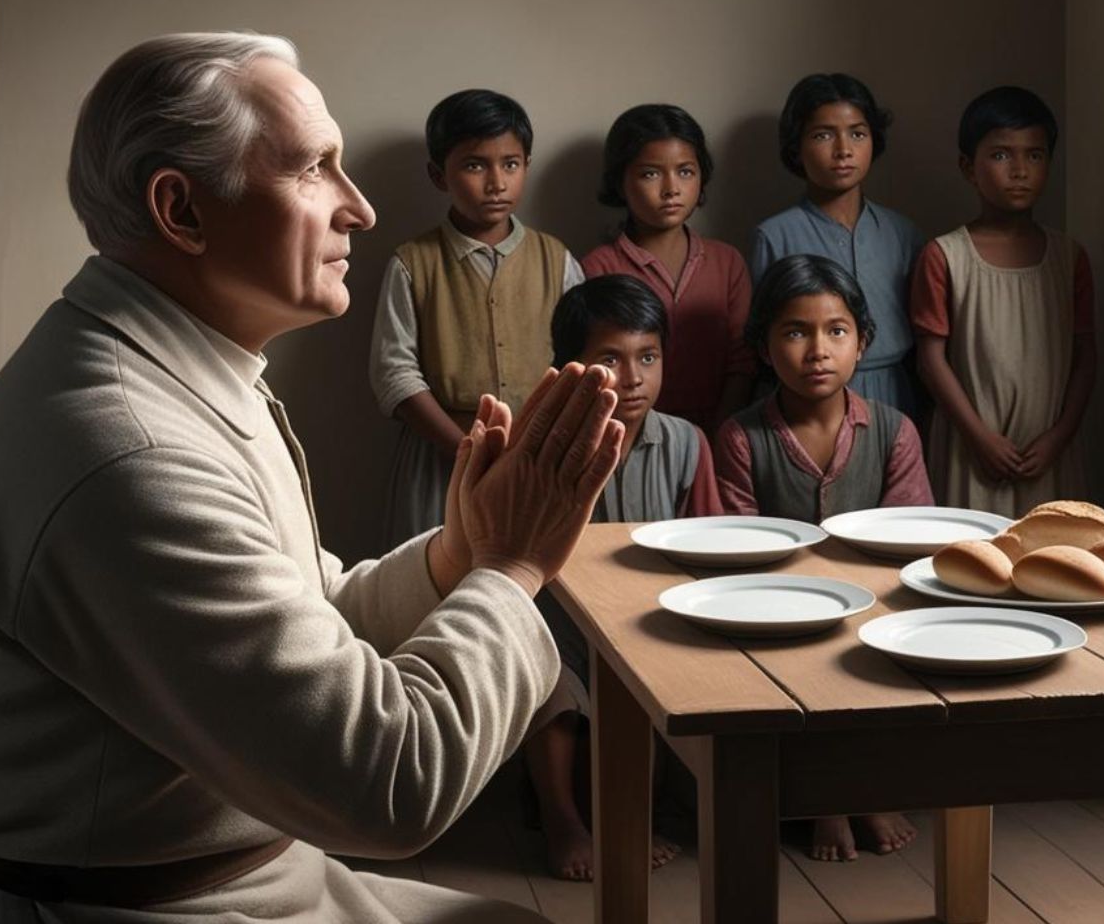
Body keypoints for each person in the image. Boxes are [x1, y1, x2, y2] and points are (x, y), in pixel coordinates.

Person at [0, 33, 624, 922]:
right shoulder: (132, 451)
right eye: (315, 169)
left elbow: (305, 626)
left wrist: (457, 555)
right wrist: (512, 570)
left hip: (238, 873)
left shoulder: (176, 367)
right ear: (182, 211)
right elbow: (389, 785)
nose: (359, 209)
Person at [713, 253, 929, 863]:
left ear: (862, 342)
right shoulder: (741, 436)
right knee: (797, 662)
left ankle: (866, 788)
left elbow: (909, 537)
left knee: (877, 656)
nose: (817, 350)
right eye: (794, 331)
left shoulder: (894, 431)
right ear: (763, 346)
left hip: (875, 603)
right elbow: (738, 544)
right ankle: (824, 801)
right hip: (777, 606)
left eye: (836, 331)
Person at [522, 274, 721, 880]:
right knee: (550, 696)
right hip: (558, 617)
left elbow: (710, 539)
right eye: (611, 358)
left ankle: (637, 812)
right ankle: (563, 821)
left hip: (647, 617)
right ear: (570, 366)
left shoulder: (685, 442)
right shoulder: (547, 443)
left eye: (648, 357)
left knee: (654, 697)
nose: (633, 378)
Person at [370, 88, 584, 546]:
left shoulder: (557, 259)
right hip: (439, 458)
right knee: (430, 583)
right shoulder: (412, 262)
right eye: (474, 165)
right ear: (437, 175)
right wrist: (465, 451)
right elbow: (395, 374)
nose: (496, 182)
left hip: (538, 459)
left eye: (510, 164)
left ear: (527, 165)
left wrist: (535, 452)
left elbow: (581, 360)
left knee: (530, 580)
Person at [911, 85, 1096, 514]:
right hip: (971, 449)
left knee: (1055, 562)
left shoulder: (1070, 258)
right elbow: (930, 361)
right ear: (967, 167)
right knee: (969, 564)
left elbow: (1087, 357)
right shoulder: (944, 256)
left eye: (1034, 155)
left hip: (1048, 452)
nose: (1019, 170)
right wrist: (980, 438)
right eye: (1000, 155)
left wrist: (1058, 437)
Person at [750, 73, 925, 421]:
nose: (843, 150)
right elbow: (761, 340)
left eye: (857, 134)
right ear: (796, 147)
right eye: (823, 135)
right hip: (805, 398)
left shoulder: (903, 233)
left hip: (895, 393)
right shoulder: (774, 236)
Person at [579, 104, 755, 429]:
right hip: (629, 435)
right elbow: (595, 367)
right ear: (620, 181)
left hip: (718, 432)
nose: (671, 189)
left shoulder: (727, 262)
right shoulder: (598, 268)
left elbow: (742, 362)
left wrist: (716, 434)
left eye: (685, 171)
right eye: (650, 173)